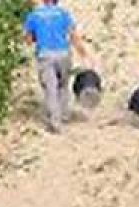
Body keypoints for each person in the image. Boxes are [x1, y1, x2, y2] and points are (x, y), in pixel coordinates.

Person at [24, 0, 87, 133]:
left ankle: (55, 122)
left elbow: (29, 40)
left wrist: (37, 36)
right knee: (63, 85)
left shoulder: (34, 15)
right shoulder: (63, 13)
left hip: (45, 54)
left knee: (50, 88)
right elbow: (73, 35)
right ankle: (64, 114)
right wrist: (82, 51)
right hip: (63, 54)